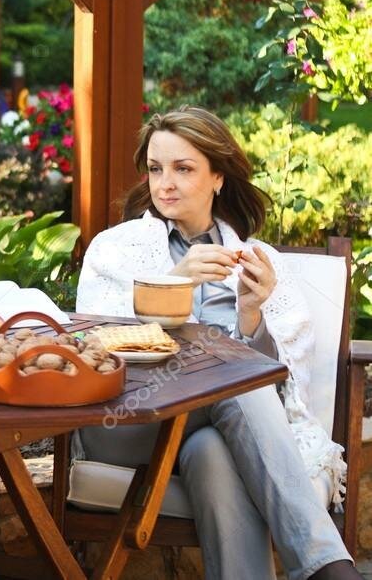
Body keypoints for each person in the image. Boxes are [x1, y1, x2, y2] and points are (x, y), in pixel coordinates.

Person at [75, 107, 358, 580]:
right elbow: (95, 341)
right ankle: (328, 567)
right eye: (156, 169)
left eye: (183, 169)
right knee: (235, 376)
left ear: (218, 177)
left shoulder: (256, 259)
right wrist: (171, 284)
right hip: (129, 421)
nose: (165, 183)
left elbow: (285, 384)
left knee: (211, 447)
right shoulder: (115, 247)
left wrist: (251, 317)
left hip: (208, 427)